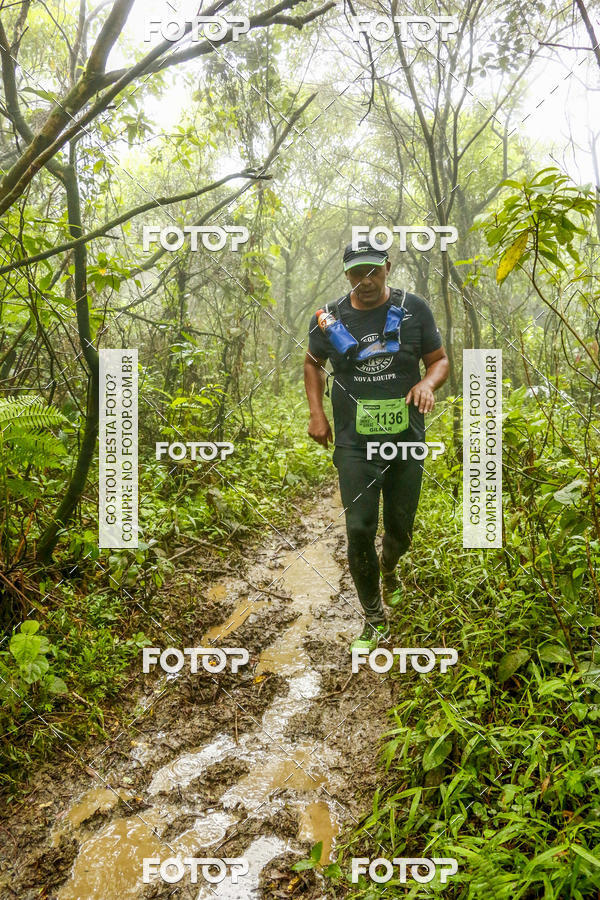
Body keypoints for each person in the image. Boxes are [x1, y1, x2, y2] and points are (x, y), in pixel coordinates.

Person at [304, 239, 449, 652]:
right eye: (356, 273)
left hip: (406, 440)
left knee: (400, 531)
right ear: (346, 274)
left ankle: (390, 568)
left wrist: (426, 382)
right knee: (360, 528)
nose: (365, 280)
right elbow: (312, 364)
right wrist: (317, 413)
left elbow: (439, 359)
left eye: (373, 271)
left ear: (387, 267)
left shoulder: (413, 308)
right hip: (354, 443)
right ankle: (373, 619)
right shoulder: (328, 318)